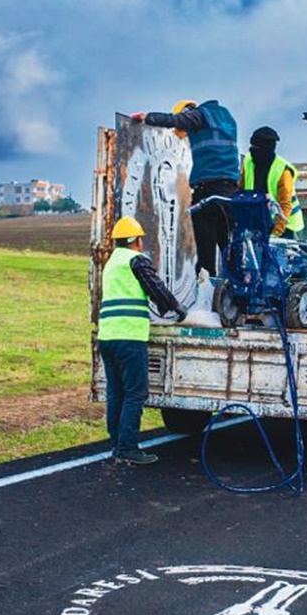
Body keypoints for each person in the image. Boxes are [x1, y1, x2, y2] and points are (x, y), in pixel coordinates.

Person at [98, 216, 186, 466]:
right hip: (129, 337)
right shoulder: (135, 260)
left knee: (116, 393)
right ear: (136, 240)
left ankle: (117, 444)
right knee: (136, 393)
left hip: (108, 337)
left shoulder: (111, 263)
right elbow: (155, 287)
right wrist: (177, 308)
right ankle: (127, 447)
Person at [130, 100, 239, 278]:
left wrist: (147, 118)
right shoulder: (226, 118)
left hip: (208, 191)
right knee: (229, 249)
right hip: (230, 193)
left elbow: (176, 121)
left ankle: (206, 297)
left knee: (206, 254)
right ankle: (236, 297)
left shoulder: (200, 115)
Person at [240, 126, 305, 239]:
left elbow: (285, 205)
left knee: (278, 256)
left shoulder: (282, 170)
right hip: (257, 222)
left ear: (266, 149)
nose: (252, 150)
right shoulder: (248, 162)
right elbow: (241, 190)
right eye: (252, 146)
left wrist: (276, 233)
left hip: (285, 225)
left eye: (256, 147)